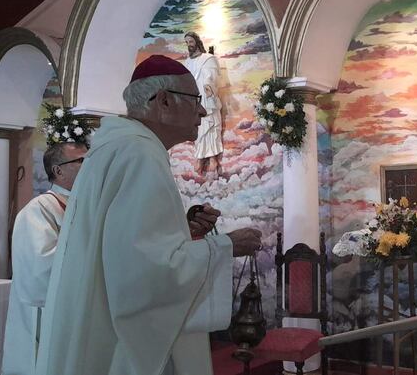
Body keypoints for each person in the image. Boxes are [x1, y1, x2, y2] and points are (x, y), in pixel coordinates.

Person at [34, 55, 262, 375]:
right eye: (195, 100)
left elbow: (122, 245)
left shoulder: (118, 148)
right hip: (124, 345)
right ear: (164, 101)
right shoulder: (139, 153)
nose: (202, 110)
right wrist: (225, 246)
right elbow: (144, 273)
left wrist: (181, 228)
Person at [2, 142, 86, 375]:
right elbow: (42, 269)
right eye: (81, 161)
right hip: (47, 318)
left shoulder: (87, 205)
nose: (89, 166)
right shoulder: (39, 209)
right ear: (58, 171)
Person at [183, 32, 223, 176]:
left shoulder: (208, 58)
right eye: (186, 42)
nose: (189, 45)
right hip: (194, 99)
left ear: (197, 42)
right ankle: (200, 156)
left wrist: (209, 86)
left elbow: (212, 77)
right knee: (198, 128)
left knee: (210, 125)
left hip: (207, 98)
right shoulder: (187, 62)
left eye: (191, 41)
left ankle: (213, 158)